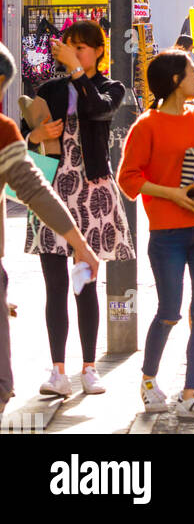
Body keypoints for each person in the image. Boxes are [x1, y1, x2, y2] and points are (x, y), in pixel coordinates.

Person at [118, 50, 194, 421]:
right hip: (166, 232)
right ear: (174, 81)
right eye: (191, 72)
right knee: (168, 311)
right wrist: (175, 194)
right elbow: (129, 178)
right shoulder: (146, 125)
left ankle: (191, 393)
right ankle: (149, 380)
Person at [22, 21, 134, 398]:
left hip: (90, 192)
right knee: (54, 285)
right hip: (50, 192)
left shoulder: (110, 87)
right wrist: (34, 136)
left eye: (82, 48)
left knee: (84, 282)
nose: (75, 53)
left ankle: (89, 367)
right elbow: (21, 140)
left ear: (99, 51)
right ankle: (57, 370)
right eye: (69, 47)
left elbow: (97, 110)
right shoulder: (48, 90)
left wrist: (76, 72)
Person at [0, 45, 99, 417]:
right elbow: (33, 190)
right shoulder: (4, 130)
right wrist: (81, 243)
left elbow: (31, 187)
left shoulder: (5, 131)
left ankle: (84, 366)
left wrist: (79, 242)